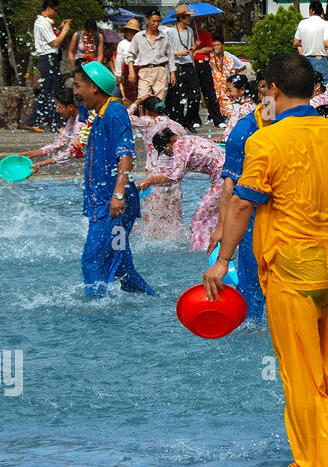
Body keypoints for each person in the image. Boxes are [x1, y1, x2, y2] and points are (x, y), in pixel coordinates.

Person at [204, 53, 328, 467]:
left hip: (292, 270)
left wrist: (222, 262)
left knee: (301, 373)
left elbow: (242, 204)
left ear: (273, 90)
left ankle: (312, 464)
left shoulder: (265, 141)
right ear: (315, 88)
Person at [75, 62, 155, 298]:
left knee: (92, 260)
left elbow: (126, 155)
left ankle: (96, 314)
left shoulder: (114, 112)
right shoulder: (98, 115)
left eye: (79, 86)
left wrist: (118, 195)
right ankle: (154, 302)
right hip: (104, 202)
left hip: (114, 205)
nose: (75, 91)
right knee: (120, 266)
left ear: (95, 88)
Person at [211, 77, 274, 324]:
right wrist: (221, 227)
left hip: (290, 221)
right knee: (252, 282)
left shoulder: (299, 123)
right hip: (254, 220)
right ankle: (252, 325)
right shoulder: (244, 131)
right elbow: (230, 183)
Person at [142, 128, 226, 252]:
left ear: (166, 146)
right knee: (218, 216)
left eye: (166, 152)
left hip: (223, 179)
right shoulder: (189, 139)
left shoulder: (179, 146)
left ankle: (202, 250)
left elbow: (175, 176)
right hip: (228, 175)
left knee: (199, 219)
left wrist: (149, 181)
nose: (169, 155)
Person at [129, 96, 187, 242]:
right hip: (174, 176)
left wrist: (137, 101)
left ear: (147, 110)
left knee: (153, 215)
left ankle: (152, 243)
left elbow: (124, 117)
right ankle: (174, 243)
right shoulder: (178, 126)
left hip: (154, 177)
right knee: (173, 216)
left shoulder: (148, 122)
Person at [28, 0, 72, 132]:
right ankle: (55, 124)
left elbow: (50, 38)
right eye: (55, 10)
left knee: (50, 92)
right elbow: (55, 43)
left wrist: (59, 28)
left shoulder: (45, 23)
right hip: (48, 58)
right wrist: (65, 30)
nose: (56, 13)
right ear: (49, 8)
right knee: (51, 92)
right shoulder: (42, 23)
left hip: (50, 58)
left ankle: (41, 121)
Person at [18, 87, 82, 170]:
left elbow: (71, 152)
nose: (57, 110)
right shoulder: (72, 120)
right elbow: (58, 144)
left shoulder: (81, 123)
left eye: (59, 107)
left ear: (70, 107)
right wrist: (31, 154)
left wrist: (42, 164)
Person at [166, 4, 202, 127]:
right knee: (177, 96)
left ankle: (190, 119)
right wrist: (178, 53)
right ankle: (178, 122)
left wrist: (192, 54)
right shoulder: (170, 31)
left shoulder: (190, 31)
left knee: (195, 95)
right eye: (187, 16)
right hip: (176, 65)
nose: (190, 19)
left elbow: (191, 47)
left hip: (188, 65)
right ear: (181, 17)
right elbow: (166, 51)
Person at [130, 10, 174, 102]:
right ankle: (143, 116)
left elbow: (170, 55)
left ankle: (158, 116)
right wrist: (131, 71)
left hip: (160, 70)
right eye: (154, 21)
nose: (156, 24)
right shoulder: (139, 36)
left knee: (160, 100)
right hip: (144, 70)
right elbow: (130, 54)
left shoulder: (164, 37)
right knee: (142, 98)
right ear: (147, 20)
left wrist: (172, 72)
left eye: (158, 21)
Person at [294, 1, 328, 85]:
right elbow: (327, 44)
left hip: (305, 59)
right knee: (325, 85)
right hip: (319, 59)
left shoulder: (302, 23)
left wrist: (307, 43)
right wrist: (318, 42)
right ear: (321, 11)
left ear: (310, 11)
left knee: (307, 85)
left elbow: (295, 43)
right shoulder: (325, 24)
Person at [208, 38, 245, 121]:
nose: (216, 47)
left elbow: (243, 66)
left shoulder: (229, 56)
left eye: (218, 45)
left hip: (227, 87)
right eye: (214, 46)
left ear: (222, 46)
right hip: (215, 87)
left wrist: (233, 75)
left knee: (230, 111)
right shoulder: (210, 58)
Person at [114, 18, 140, 103]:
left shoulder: (140, 43)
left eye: (132, 31)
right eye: (128, 31)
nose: (129, 33)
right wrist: (118, 74)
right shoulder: (122, 44)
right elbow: (119, 59)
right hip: (126, 72)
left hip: (139, 71)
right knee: (122, 95)